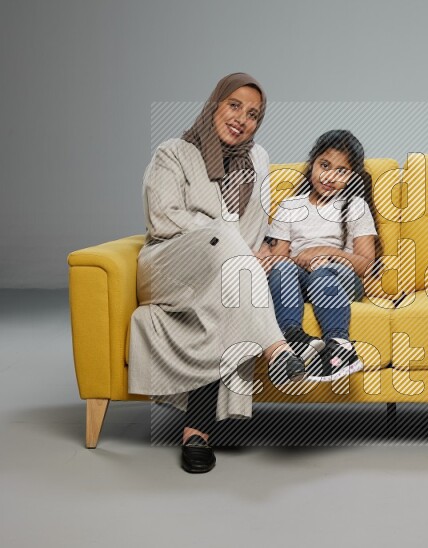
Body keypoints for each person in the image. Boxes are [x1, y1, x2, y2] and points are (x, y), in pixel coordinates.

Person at [127, 73, 307, 474]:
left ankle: (197, 433)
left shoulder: (257, 160)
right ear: (215, 105)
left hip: (226, 270)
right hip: (169, 265)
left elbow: (254, 227)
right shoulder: (173, 152)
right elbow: (163, 218)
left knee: (229, 294)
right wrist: (226, 242)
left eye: (253, 115)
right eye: (234, 106)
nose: (242, 119)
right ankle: (277, 349)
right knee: (228, 248)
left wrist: (247, 254)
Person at [266, 130, 382, 382]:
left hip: (339, 281)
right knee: (283, 270)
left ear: (352, 177)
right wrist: (303, 259)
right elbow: (278, 261)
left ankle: (340, 346)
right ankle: (294, 338)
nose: (329, 176)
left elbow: (365, 265)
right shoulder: (290, 207)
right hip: (298, 282)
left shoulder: (355, 207)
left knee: (322, 272)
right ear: (312, 164)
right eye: (325, 165)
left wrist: (327, 253)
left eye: (341, 171)